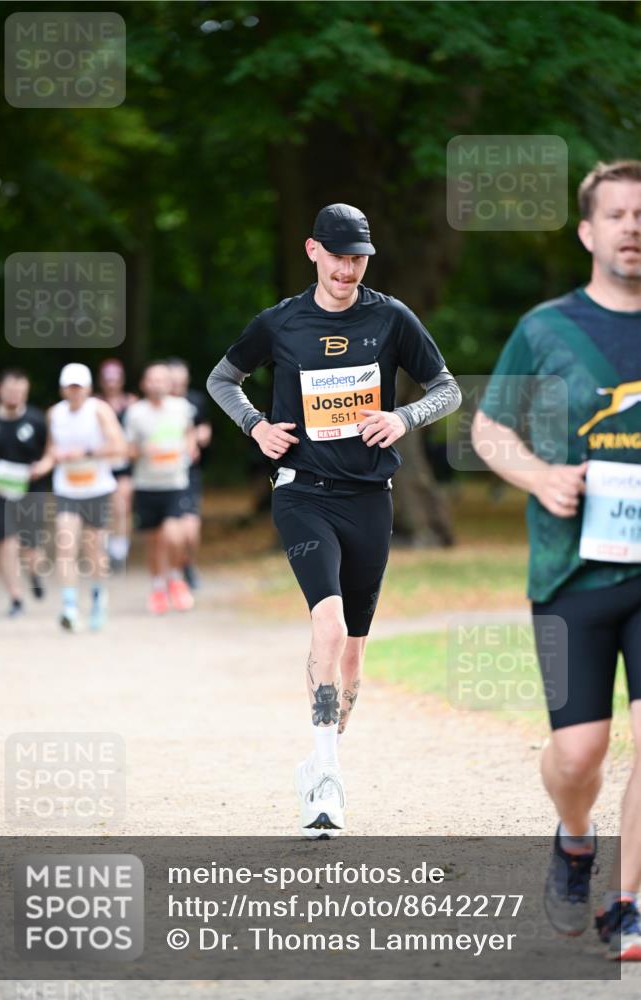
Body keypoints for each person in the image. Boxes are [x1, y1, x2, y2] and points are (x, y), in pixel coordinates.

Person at [207, 203, 461, 838]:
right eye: (339, 255)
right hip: (302, 492)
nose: (349, 268)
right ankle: (326, 780)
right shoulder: (281, 322)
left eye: (360, 258)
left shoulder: (391, 317)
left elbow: (448, 390)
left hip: (370, 497)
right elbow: (222, 379)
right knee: (327, 621)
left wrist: (403, 419)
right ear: (312, 251)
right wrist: (255, 426)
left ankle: (323, 753)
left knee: (351, 660)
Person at [472, 160, 641, 960]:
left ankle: (627, 902)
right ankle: (574, 836)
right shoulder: (545, 328)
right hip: (570, 572)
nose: (632, 227)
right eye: (616, 215)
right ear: (587, 232)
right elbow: (487, 430)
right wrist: (538, 475)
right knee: (581, 754)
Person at [36, 363, 127, 631]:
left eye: (78, 387)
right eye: (69, 387)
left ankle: (99, 599)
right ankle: (69, 607)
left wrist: (85, 454)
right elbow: (52, 450)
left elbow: (118, 446)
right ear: (63, 389)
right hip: (67, 489)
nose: (74, 392)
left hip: (97, 489)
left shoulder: (98, 410)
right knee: (65, 545)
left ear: (87, 388)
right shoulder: (54, 414)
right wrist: (41, 465)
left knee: (93, 549)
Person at [124, 361, 197, 614]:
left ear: (169, 383)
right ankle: (157, 587)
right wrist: (144, 451)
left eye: (161, 380)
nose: (157, 385)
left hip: (175, 483)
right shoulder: (135, 413)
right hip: (146, 484)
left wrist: (190, 447)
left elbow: (190, 433)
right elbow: (129, 450)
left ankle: (176, 577)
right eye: (151, 380)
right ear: (144, 384)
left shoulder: (182, 408)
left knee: (174, 535)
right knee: (154, 541)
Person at [0, 369, 48, 616]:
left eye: (20, 391)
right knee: (6, 541)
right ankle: (16, 597)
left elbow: (51, 450)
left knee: (31, 546)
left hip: (30, 488)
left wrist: (43, 466)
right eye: (11, 390)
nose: (15, 395)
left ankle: (34, 573)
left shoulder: (37, 420)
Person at [167, 357, 212, 590]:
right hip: (164, 475)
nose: (175, 383)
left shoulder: (196, 401)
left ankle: (188, 564)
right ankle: (172, 573)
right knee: (171, 530)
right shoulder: (159, 406)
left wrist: (199, 436)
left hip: (190, 472)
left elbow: (205, 427)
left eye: (179, 379)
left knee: (191, 530)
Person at [96, 358, 138, 570]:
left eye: (115, 379)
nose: (111, 383)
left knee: (123, 504)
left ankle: (120, 549)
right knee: (104, 507)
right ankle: (103, 545)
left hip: (124, 462)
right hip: (101, 463)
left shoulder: (131, 403)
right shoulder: (95, 404)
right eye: (107, 379)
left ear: (121, 380)